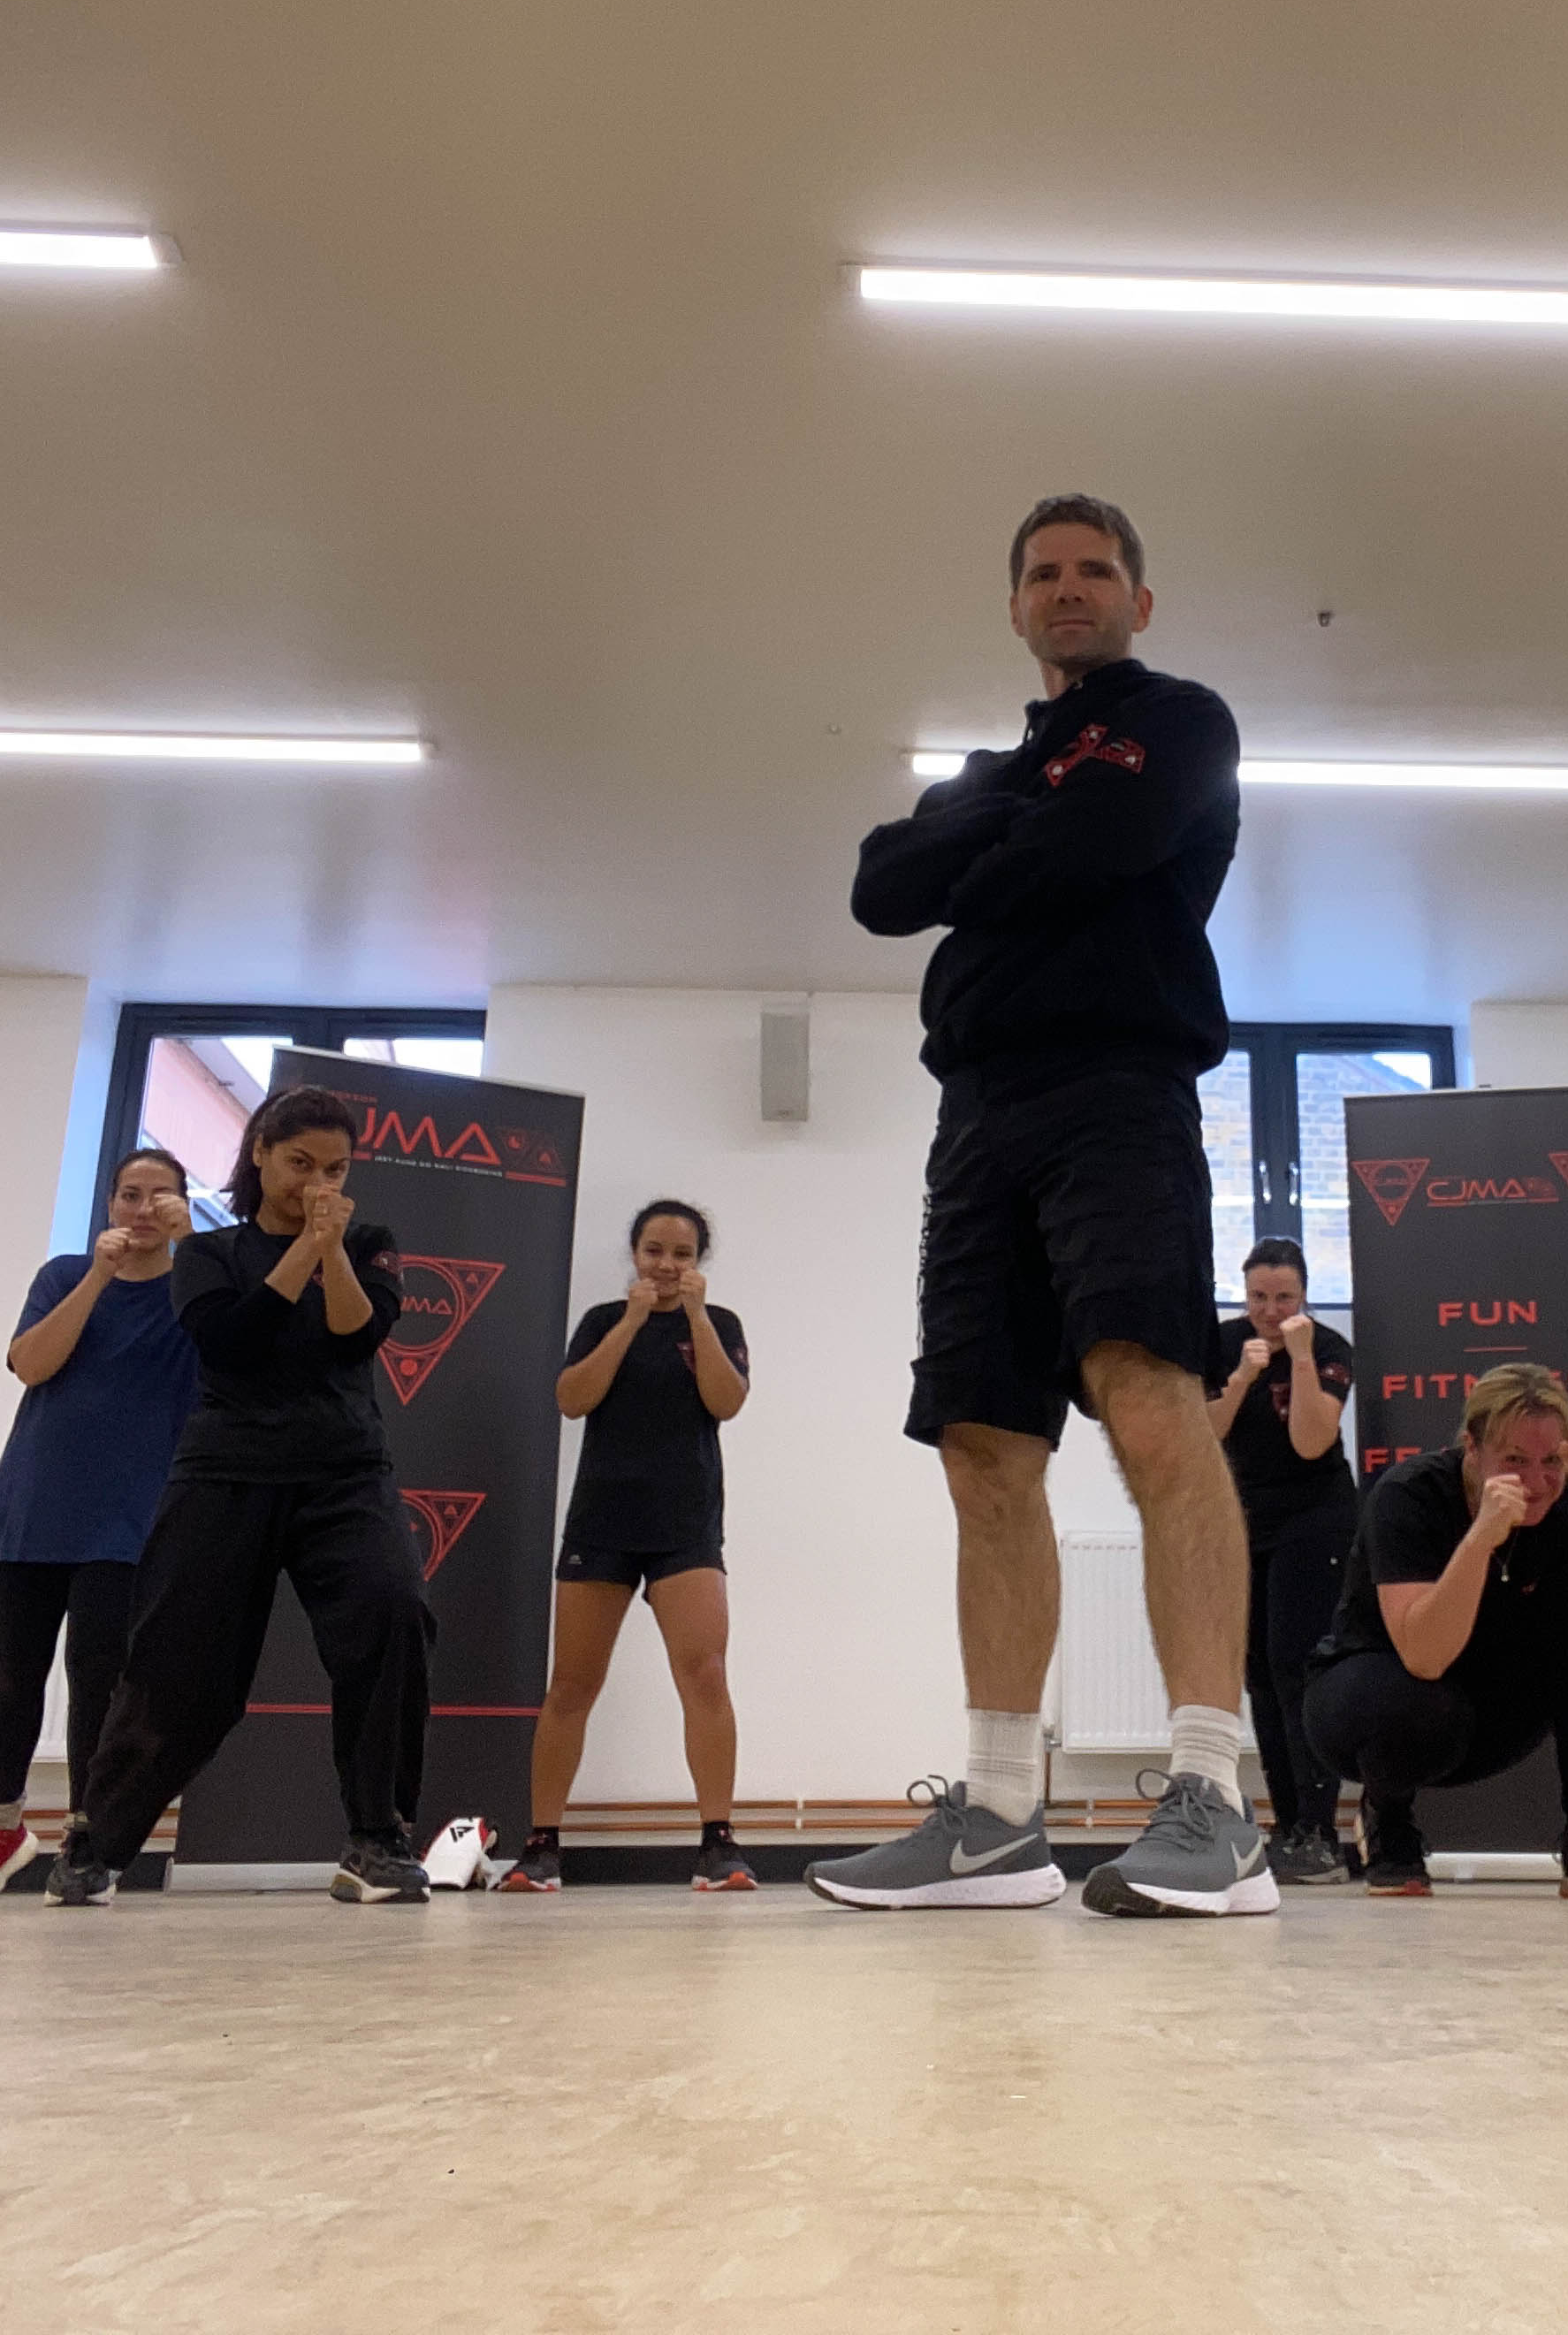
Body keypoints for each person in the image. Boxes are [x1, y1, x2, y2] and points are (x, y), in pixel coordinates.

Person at [813, 493, 1264, 1920]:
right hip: (978, 1118)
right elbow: (879, 885)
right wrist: (1019, 815)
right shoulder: (997, 766)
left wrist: (984, 844)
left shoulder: (1180, 722)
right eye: (1045, 573)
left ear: (1140, 598)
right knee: (983, 1447)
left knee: (1150, 1405)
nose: (1070, 588)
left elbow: (1109, 840)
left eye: (1096, 570)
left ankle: (1214, 1799)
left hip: (1118, 1092)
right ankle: (1001, 1816)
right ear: (1014, 604)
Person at [44, 1086, 434, 1908]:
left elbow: (358, 1333)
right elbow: (232, 1340)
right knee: (179, 1664)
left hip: (344, 1472)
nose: (317, 1183)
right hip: (226, 1472)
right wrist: (302, 1249)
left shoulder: (369, 1243)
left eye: (335, 1169)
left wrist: (330, 1249)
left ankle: (377, 1836)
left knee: (392, 1614)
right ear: (260, 1154)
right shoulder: (209, 1252)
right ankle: (97, 1844)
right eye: (300, 1164)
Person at [1301, 1362, 1568, 1898]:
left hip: (1483, 1718)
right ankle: (1390, 1826)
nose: (1536, 1482)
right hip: (1368, 1708)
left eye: (1552, 1461)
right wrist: (1480, 1538)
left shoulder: (1567, 1501)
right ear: (1472, 1450)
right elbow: (1424, 1657)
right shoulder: (1409, 1494)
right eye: (1515, 1461)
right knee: (1419, 1702)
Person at [0, 1148, 202, 1896]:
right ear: (109, 1204)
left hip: (129, 1517)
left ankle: (88, 1838)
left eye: (160, 1196)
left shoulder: (195, 1290)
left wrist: (192, 1245)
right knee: (13, 1678)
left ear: (183, 1204)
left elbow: (234, 1353)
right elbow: (32, 1364)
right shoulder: (62, 1277)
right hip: (33, 1506)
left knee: (99, 1681)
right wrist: (97, 1278)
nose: (142, 1209)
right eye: (129, 1195)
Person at [500, 1199, 756, 1895]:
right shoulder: (602, 1320)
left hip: (686, 1526)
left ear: (698, 1262)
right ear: (635, 1255)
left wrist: (696, 1317)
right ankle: (542, 1845)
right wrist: (633, 1321)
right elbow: (572, 1398)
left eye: (681, 1254)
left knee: (706, 1675)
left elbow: (726, 1402)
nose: (667, 1265)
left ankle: (718, 1843)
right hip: (603, 1523)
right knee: (571, 1685)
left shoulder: (721, 1323)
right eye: (654, 1251)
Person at [1204, 1237, 1359, 1888]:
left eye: (1285, 1298)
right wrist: (1242, 1377)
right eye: (1259, 1297)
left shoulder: (1328, 1349)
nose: (1271, 1310)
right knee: (1261, 1674)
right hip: (1243, 1519)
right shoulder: (1222, 1343)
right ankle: (1288, 1825)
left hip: (1314, 1518)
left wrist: (1297, 1359)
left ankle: (1320, 1833)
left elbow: (1311, 1441)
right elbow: (1205, 1435)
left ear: (1305, 1296)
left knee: (1298, 1667)